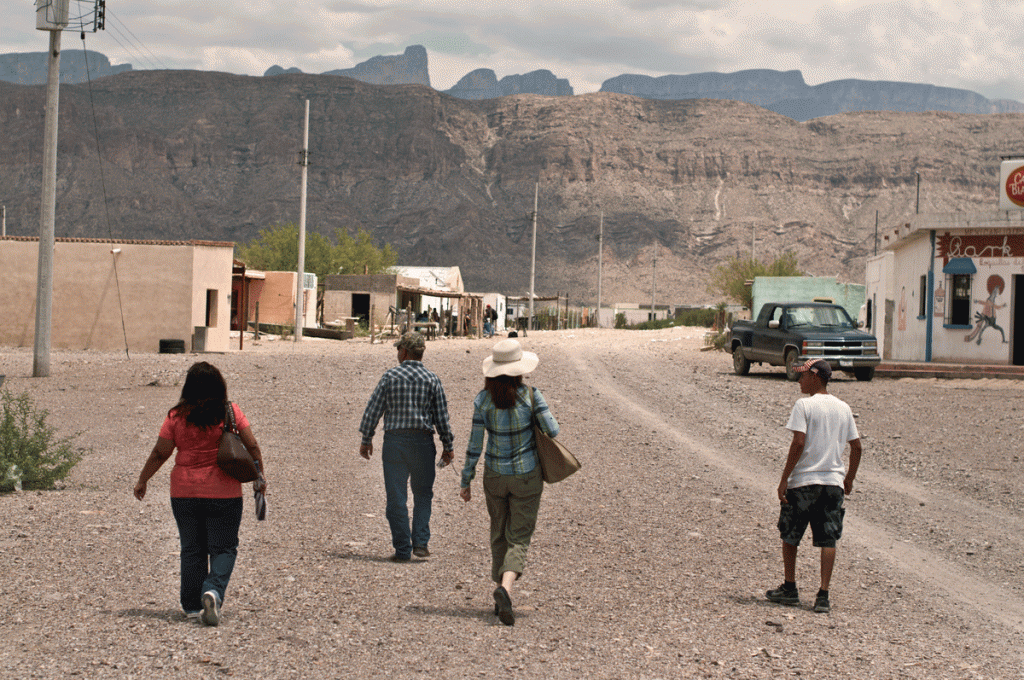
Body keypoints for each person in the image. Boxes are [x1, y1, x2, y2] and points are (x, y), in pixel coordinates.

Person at [134, 361, 266, 626]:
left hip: (184, 492)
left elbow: (161, 452)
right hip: (224, 492)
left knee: (192, 548)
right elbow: (251, 444)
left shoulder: (176, 416)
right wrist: (259, 476)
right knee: (224, 546)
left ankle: (192, 605)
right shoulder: (230, 411)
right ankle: (213, 590)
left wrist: (143, 479)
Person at [459, 339, 559, 626]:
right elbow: (553, 430)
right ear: (519, 370)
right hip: (527, 476)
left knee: (498, 533)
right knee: (519, 536)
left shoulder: (483, 400)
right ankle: (505, 588)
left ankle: (499, 592)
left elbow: (474, 445)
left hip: (494, 476)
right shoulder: (530, 396)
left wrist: (466, 480)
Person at [767, 358, 862, 614]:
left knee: (790, 534)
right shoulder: (843, 408)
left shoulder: (804, 405)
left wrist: (784, 478)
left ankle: (790, 587)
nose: (799, 380)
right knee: (828, 538)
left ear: (815, 377)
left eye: (802, 376)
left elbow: (798, 442)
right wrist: (849, 477)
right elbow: (856, 446)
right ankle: (823, 594)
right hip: (832, 484)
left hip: (804, 482)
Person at [359, 332, 454, 561]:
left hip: (395, 443)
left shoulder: (390, 377)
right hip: (423, 443)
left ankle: (402, 549)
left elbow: (374, 409)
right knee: (423, 494)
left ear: (404, 352)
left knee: (396, 497)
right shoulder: (432, 379)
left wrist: (367, 438)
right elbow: (441, 416)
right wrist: (447, 445)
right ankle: (420, 543)